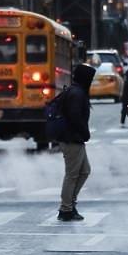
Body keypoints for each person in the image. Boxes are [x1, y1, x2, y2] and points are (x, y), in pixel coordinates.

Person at [55, 64, 96, 222]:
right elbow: (75, 117)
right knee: (72, 174)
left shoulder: (75, 91)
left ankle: (69, 204)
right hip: (71, 138)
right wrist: (84, 132)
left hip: (74, 137)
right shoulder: (77, 93)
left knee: (84, 171)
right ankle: (66, 209)